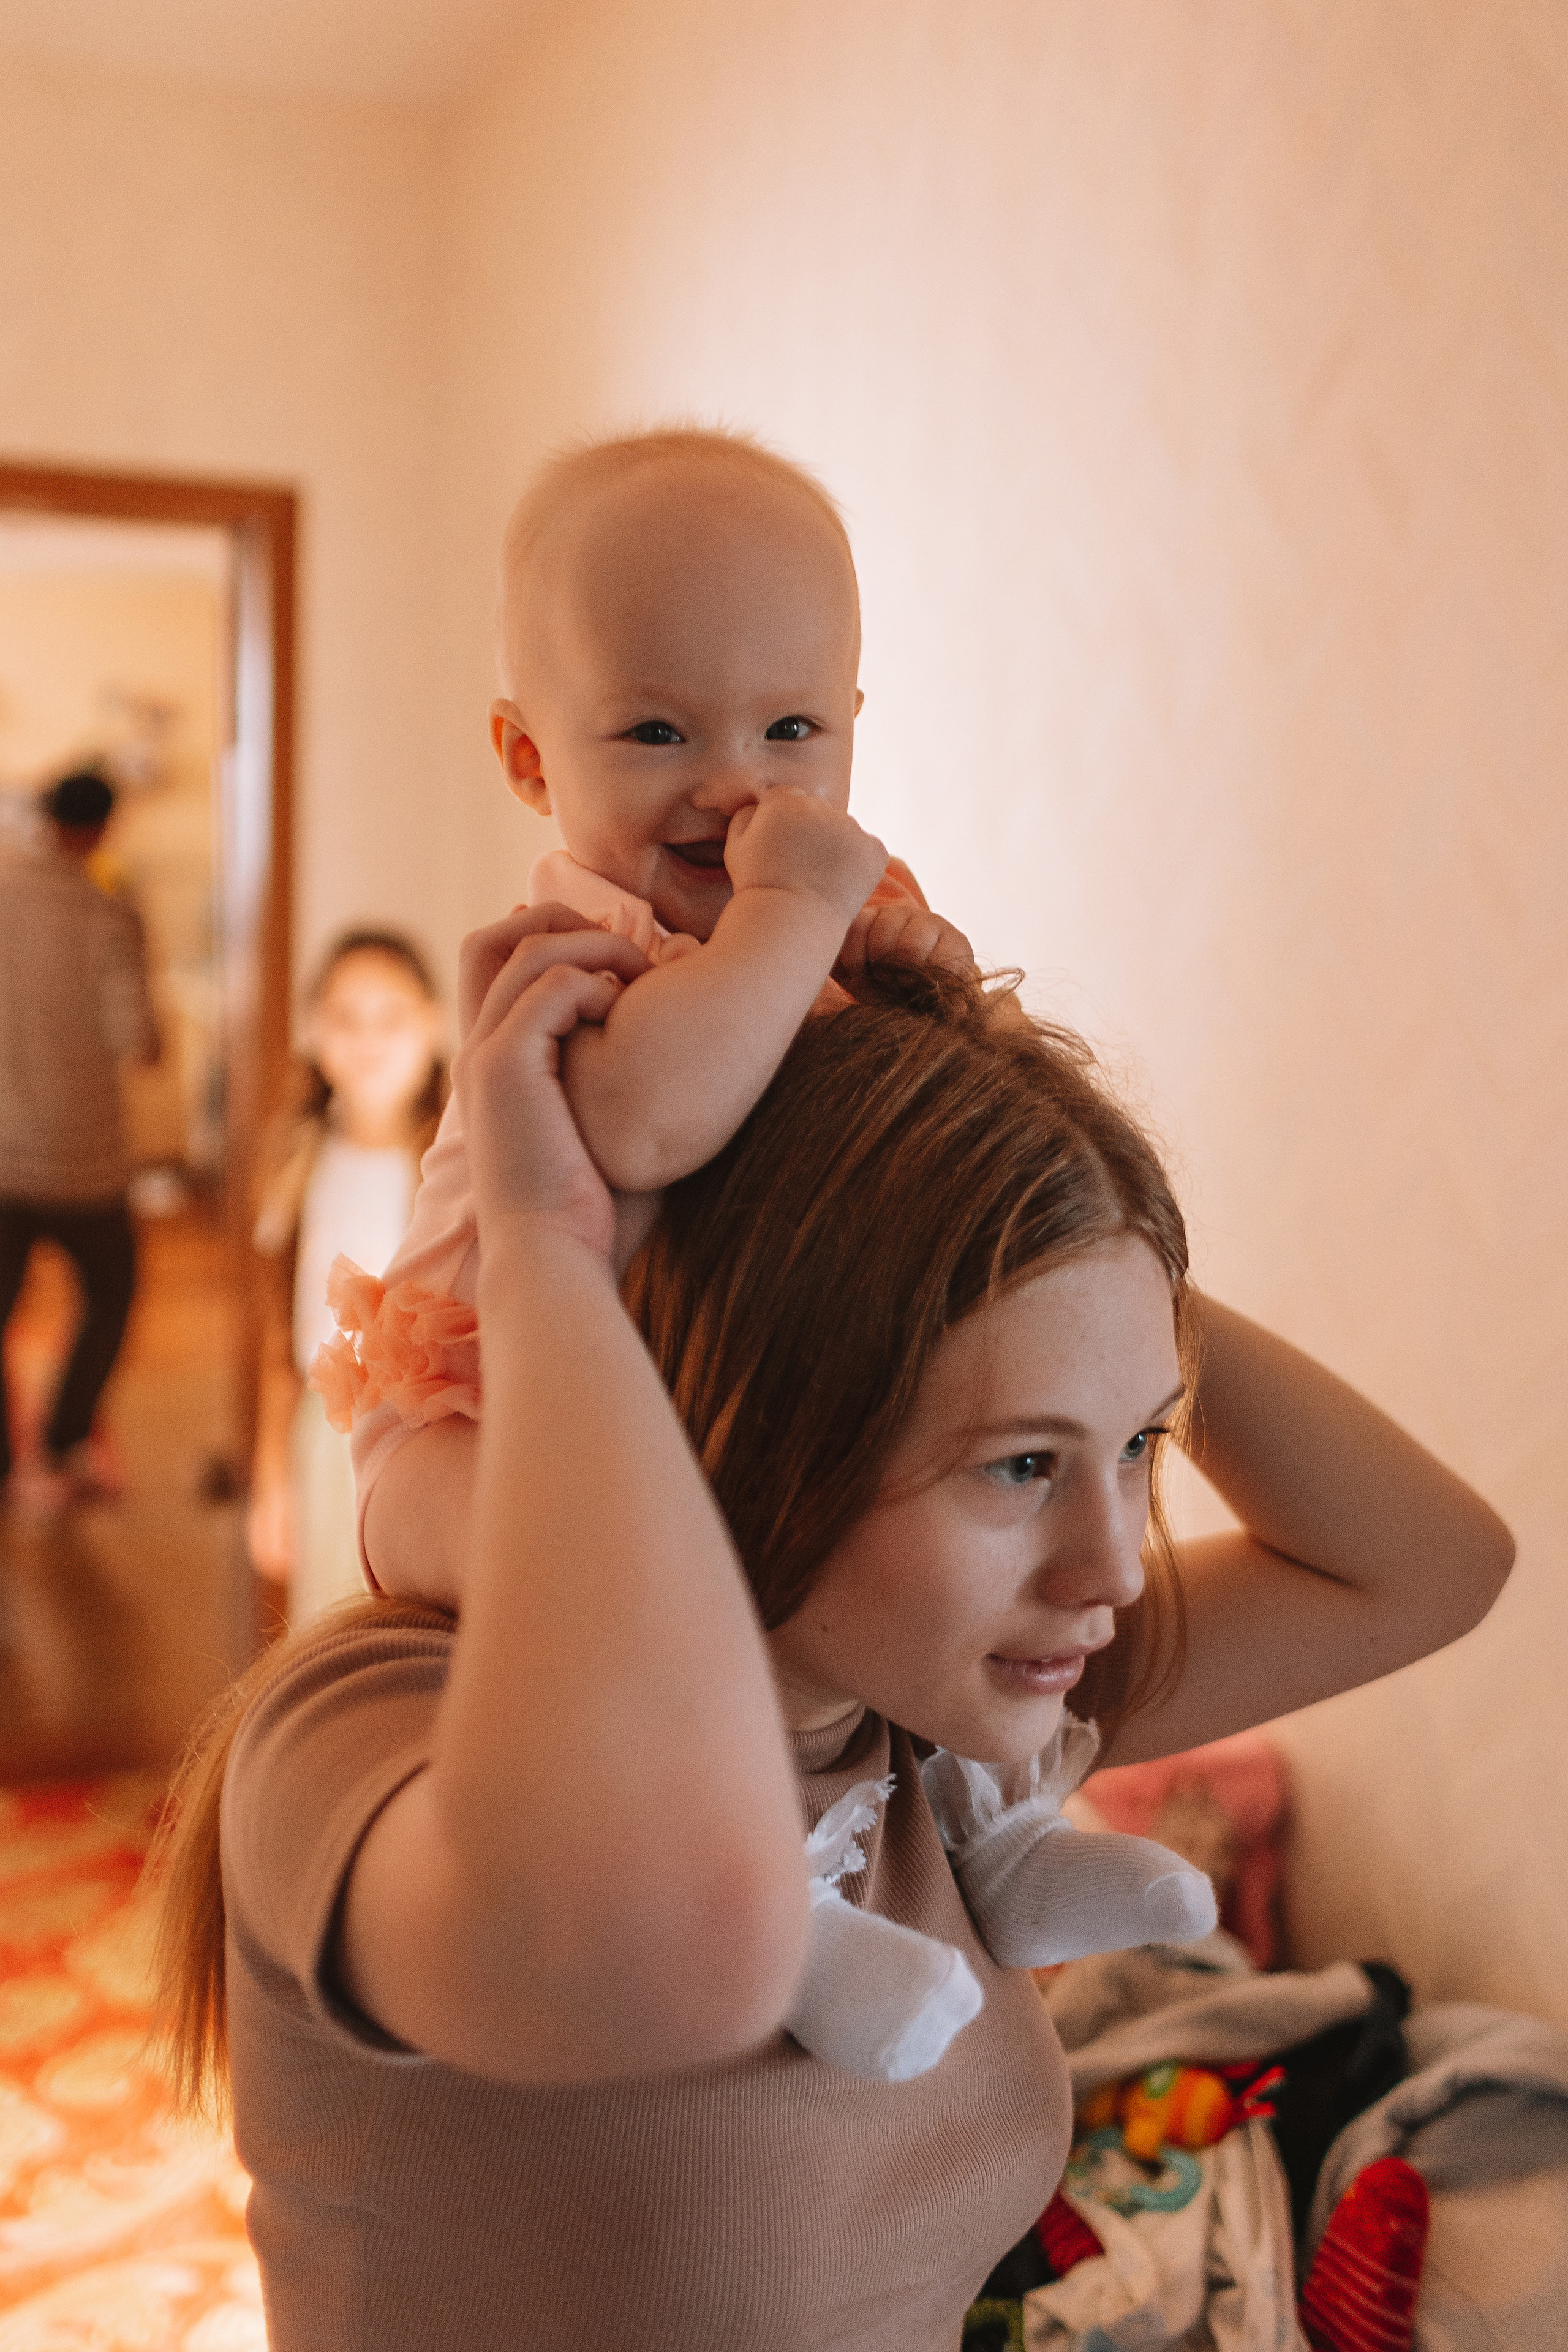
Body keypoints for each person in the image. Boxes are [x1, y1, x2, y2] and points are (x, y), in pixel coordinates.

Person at [151, 926, 1513, 2352]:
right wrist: (553, 1260)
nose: (1112, 1563)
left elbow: (1426, 1567)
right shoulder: (369, 1731)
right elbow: (703, 1929)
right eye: (1018, 1466)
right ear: (773, 1423)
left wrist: (1065, 1206)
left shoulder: (913, 1700)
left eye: (1134, 1445)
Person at [315, 428, 1217, 2078]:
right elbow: (652, 1126)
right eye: (657, 730)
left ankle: (1002, 1843)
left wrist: (926, 982)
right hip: (465, 1430)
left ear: (854, 727)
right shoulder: (585, 951)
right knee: (638, 1609)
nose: (731, 780)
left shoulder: (791, 915)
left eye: (790, 729)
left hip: (673, 1403)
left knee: (860, 1537)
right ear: (528, 757)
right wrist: (804, 916)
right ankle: (785, 1922)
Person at [247, 932, 443, 1626]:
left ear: (434, 1023)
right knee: (326, 1623)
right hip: (323, 1434)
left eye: (390, 1017)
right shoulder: (300, 1158)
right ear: (315, 1030)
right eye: (346, 1017)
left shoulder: (454, 1162)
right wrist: (273, 1477)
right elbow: (281, 1332)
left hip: (428, 1441)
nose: (369, 1039)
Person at [0, 767, 158, 1508]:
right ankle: (62, 1444)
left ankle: (6, 1465)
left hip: (3, 1155)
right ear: (100, 830)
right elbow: (140, 1041)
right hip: (84, 1160)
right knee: (110, 1295)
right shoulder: (108, 914)